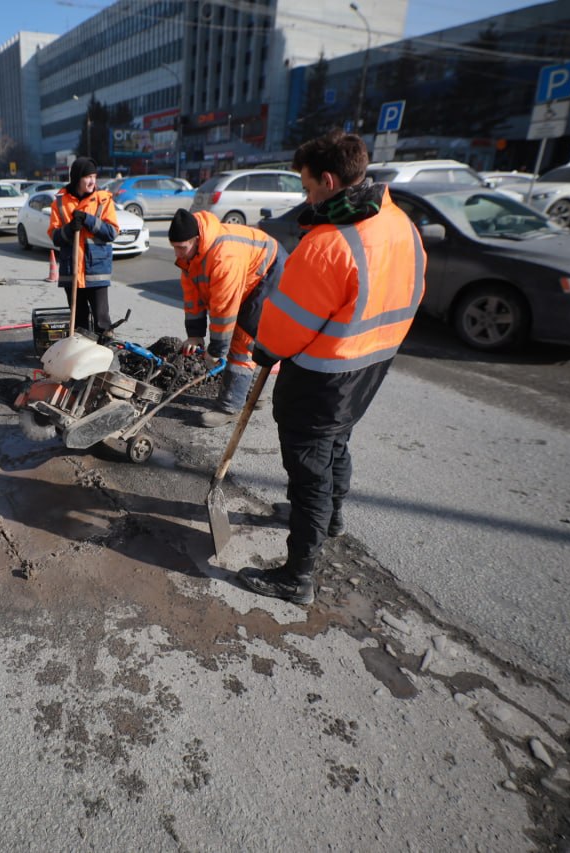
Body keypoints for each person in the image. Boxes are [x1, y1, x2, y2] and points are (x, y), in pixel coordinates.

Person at [239, 129, 426, 606]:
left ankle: (296, 577)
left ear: (328, 180)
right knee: (337, 443)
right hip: (371, 365)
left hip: (321, 378)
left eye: (307, 188)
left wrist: (265, 347)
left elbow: (287, 326)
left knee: (309, 474)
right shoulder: (400, 223)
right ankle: (333, 520)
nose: (306, 198)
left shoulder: (329, 243)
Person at [168, 208, 287, 427]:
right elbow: (193, 297)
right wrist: (195, 335)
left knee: (243, 339)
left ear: (196, 240)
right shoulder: (190, 257)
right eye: (174, 247)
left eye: (181, 247)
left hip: (270, 273)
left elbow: (224, 311)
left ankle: (229, 407)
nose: (178, 254)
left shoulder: (224, 257)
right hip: (251, 272)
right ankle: (254, 393)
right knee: (243, 337)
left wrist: (216, 350)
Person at [49, 157, 119, 339]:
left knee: (102, 321)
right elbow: (55, 237)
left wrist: (89, 220)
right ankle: (82, 351)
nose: (92, 181)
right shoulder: (60, 202)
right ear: (76, 178)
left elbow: (112, 232)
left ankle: (105, 351)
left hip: (96, 271)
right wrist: (70, 229)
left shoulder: (103, 200)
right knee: (79, 321)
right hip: (71, 272)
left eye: (94, 177)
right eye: (87, 177)